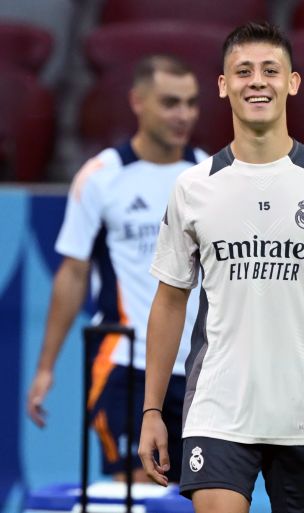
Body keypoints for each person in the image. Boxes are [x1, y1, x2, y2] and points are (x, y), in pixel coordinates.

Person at [138, 22, 304, 513]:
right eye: (243, 71)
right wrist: (152, 410)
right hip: (218, 412)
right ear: (222, 85)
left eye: (270, 71)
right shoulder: (193, 187)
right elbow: (169, 301)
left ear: (292, 82)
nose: (257, 81)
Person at [26, 55, 204, 483]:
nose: (183, 114)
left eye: (191, 103)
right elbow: (73, 273)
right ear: (137, 102)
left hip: (201, 369)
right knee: (137, 488)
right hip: (124, 361)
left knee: (202, 497)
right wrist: (46, 367)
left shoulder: (210, 176)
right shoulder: (101, 177)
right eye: (170, 102)